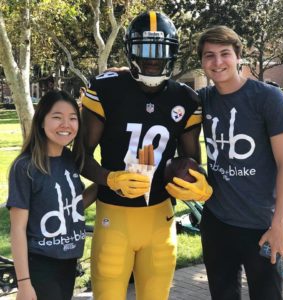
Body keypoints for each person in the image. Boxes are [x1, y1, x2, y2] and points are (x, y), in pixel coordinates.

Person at [80, 10, 212, 300]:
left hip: (160, 220)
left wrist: (199, 183)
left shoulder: (186, 98)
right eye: (144, 50)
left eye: (160, 50)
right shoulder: (106, 88)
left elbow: (192, 162)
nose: (152, 59)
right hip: (113, 217)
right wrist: (109, 178)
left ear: (172, 53)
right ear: (130, 52)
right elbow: (80, 156)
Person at [195, 25, 283, 300]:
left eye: (224, 53)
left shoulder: (267, 97)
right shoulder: (202, 100)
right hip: (216, 223)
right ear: (202, 62)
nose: (217, 62)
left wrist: (279, 223)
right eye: (209, 56)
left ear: (239, 56)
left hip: (261, 226)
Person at [7, 90, 97, 300]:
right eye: (57, 117)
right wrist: (24, 284)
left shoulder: (70, 158)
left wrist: (108, 182)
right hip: (40, 265)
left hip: (68, 261)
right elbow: (17, 228)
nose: (66, 124)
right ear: (41, 121)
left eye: (72, 118)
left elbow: (73, 206)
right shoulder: (25, 167)